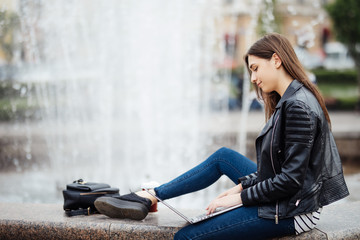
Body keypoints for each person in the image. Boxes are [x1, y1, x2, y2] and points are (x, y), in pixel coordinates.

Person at [94, 33, 349, 240]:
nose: (253, 78)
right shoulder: (292, 98)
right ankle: (150, 195)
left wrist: (237, 199)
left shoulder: (297, 106)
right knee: (224, 157)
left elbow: (290, 181)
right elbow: (277, 171)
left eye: (256, 68)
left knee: (187, 237)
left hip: (293, 211)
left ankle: (148, 196)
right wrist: (240, 186)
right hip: (290, 198)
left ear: (276, 60)